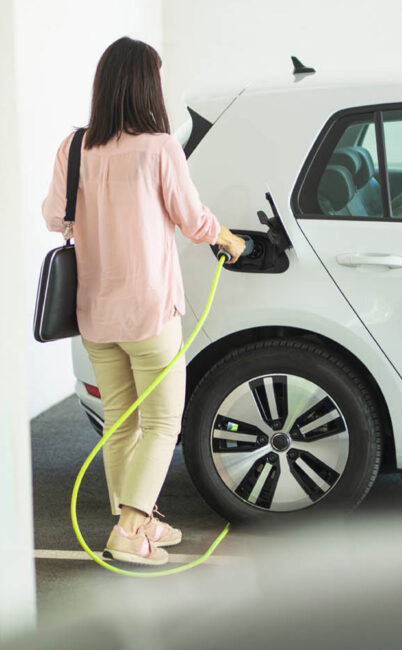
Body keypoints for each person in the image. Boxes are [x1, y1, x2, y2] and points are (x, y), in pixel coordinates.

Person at [41, 36, 246, 566]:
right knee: (160, 424)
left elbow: (54, 216)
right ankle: (130, 533)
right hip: (149, 313)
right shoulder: (159, 148)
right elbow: (193, 220)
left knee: (120, 422)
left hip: (94, 313)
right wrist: (230, 240)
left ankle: (140, 520)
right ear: (145, 86)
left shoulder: (74, 147)